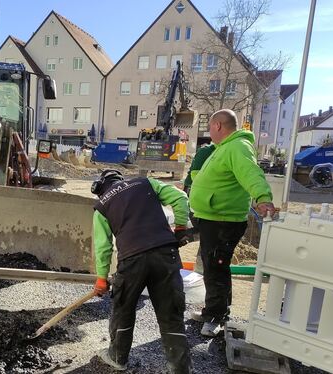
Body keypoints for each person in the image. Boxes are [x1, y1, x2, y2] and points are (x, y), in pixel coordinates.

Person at [91, 169, 192, 373]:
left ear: (101, 188)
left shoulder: (101, 206)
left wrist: (102, 278)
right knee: (170, 313)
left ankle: (118, 358)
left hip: (132, 261)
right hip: (165, 254)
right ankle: (180, 368)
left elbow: (103, 247)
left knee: (123, 308)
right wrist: (180, 226)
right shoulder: (146, 183)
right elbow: (180, 197)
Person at [189, 109, 276, 337]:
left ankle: (216, 317)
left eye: (210, 127)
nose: (209, 132)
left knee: (216, 268)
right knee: (214, 266)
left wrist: (263, 198)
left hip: (223, 221)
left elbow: (251, 173)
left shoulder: (237, 147)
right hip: (214, 219)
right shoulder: (224, 148)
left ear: (218, 126)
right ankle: (214, 310)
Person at [183, 142, 216, 274]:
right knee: (206, 234)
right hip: (198, 198)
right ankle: (201, 271)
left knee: (205, 234)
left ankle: (201, 270)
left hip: (199, 197)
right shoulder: (207, 152)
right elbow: (195, 177)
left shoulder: (218, 151)